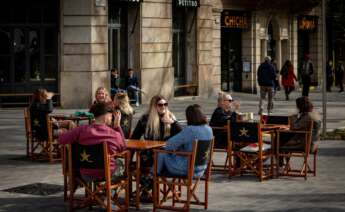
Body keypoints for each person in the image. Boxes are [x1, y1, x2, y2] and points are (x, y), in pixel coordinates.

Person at [58, 102, 126, 181]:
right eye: (111, 116)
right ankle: (110, 191)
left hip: (85, 175)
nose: (112, 118)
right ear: (106, 116)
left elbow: (61, 140)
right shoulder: (114, 134)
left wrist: (65, 131)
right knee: (121, 163)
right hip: (108, 174)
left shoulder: (81, 130)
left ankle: (92, 191)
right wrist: (117, 126)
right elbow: (123, 148)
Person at [131, 95, 182, 198]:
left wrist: (173, 123)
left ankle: (145, 189)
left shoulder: (170, 117)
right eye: (160, 105)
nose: (163, 107)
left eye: (165, 104)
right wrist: (130, 156)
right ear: (154, 106)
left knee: (153, 160)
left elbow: (182, 135)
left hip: (166, 154)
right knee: (132, 167)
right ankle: (147, 190)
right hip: (149, 153)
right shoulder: (145, 119)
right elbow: (134, 137)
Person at [156, 104, 213, 177]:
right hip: (202, 169)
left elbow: (169, 145)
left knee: (161, 153)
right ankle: (151, 177)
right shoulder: (209, 129)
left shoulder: (190, 130)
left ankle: (152, 177)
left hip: (187, 168)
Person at [279, 96, 321, 166]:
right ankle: (284, 165)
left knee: (279, 143)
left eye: (297, 106)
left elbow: (294, 127)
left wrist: (293, 117)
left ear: (300, 106)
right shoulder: (314, 114)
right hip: (314, 143)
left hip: (305, 145)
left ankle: (281, 165)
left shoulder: (307, 116)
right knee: (283, 138)